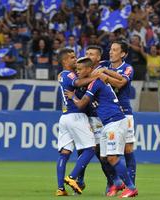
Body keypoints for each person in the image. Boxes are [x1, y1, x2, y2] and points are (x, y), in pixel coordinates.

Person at [65, 57, 138, 198]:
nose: (77, 72)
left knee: (111, 157)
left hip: (115, 121)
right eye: (76, 69)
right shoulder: (95, 81)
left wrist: (73, 96)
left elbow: (81, 104)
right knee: (104, 157)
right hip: (107, 123)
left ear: (89, 69)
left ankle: (131, 187)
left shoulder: (96, 83)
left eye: (80, 69)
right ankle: (117, 183)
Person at [76, 45, 125, 195]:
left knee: (100, 152)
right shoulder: (81, 70)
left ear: (98, 58)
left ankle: (112, 181)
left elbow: (119, 81)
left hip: (99, 117)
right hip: (83, 116)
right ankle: (80, 179)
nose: (88, 55)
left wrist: (103, 74)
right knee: (81, 148)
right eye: (86, 53)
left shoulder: (102, 70)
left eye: (91, 54)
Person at [95, 41, 137, 194]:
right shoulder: (103, 65)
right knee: (104, 152)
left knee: (127, 150)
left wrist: (104, 76)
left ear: (123, 53)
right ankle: (112, 182)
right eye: (110, 49)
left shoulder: (127, 68)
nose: (111, 52)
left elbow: (121, 84)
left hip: (124, 112)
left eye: (115, 50)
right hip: (105, 113)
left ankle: (130, 184)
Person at [55, 48, 97, 196]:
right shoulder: (69, 74)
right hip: (76, 116)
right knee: (91, 148)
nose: (75, 59)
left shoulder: (61, 75)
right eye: (72, 57)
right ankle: (72, 177)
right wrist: (96, 77)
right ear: (64, 61)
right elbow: (78, 82)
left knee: (64, 153)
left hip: (65, 117)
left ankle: (60, 189)